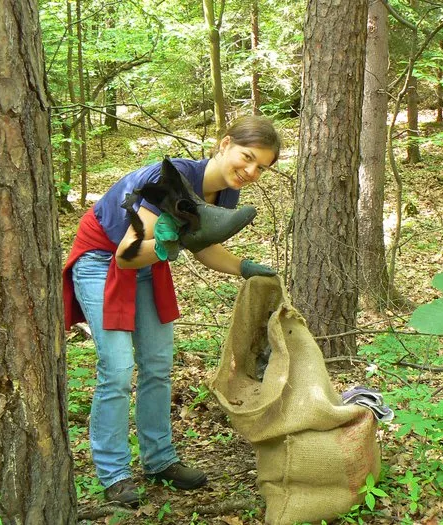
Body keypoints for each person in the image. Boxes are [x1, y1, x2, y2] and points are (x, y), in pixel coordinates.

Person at [62, 115, 281, 507]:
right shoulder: (173, 177)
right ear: (224, 143)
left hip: (149, 264)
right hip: (102, 259)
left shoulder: (224, 193)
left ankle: (160, 460)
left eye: (261, 167)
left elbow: (203, 244)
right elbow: (128, 255)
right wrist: (173, 245)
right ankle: (114, 474)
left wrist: (243, 267)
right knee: (116, 369)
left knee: (158, 363)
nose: (250, 171)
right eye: (247, 157)